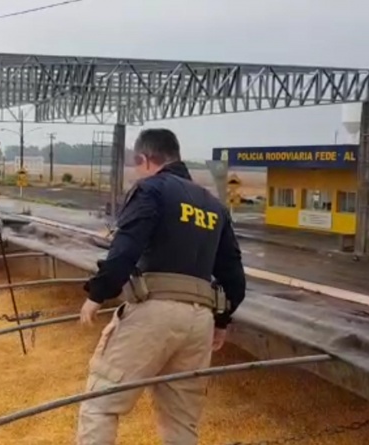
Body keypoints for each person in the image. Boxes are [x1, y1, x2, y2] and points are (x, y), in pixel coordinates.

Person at [76, 129, 246, 445]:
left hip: (154, 309)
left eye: (136, 165)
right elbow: (234, 278)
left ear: (145, 159)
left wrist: (97, 294)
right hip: (199, 322)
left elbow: (125, 249)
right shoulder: (214, 205)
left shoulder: (151, 190)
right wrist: (221, 321)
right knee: (181, 422)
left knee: (101, 405)